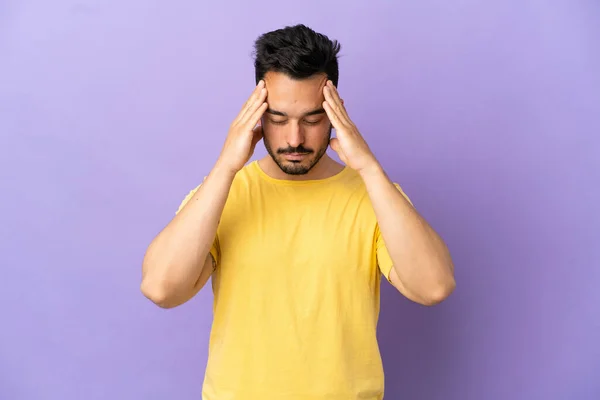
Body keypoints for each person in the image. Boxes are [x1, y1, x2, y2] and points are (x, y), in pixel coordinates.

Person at [141, 24, 455, 400]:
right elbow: (161, 289)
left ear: (335, 113)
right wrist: (226, 165)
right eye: (277, 119)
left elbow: (433, 287)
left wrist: (370, 168)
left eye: (311, 119)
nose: (294, 139)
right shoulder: (223, 193)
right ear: (256, 114)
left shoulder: (374, 197)